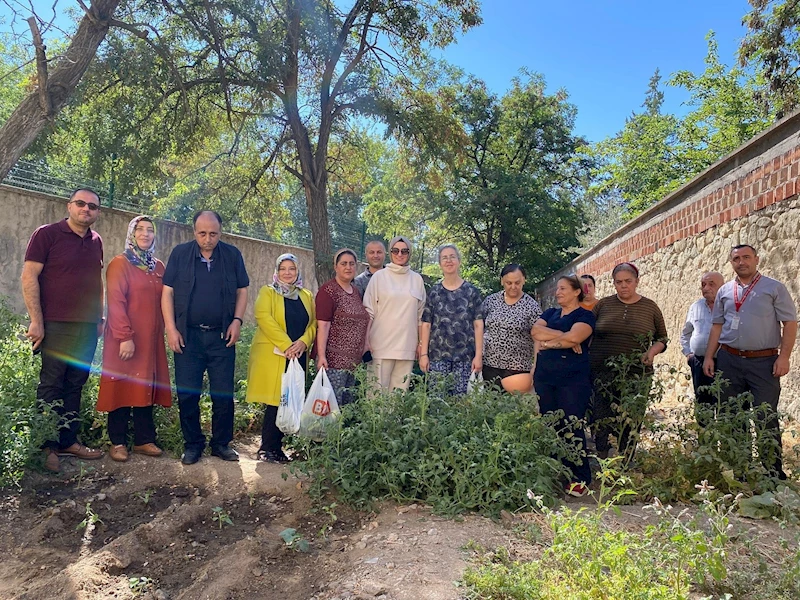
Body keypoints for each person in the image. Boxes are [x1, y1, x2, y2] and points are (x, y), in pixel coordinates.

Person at [21, 188, 105, 473]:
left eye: (92, 206)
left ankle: (69, 440)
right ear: (69, 206)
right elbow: (29, 275)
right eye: (81, 204)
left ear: (97, 212)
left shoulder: (96, 241)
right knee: (51, 385)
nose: (86, 209)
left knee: (75, 384)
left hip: (86, 328)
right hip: (55, 325)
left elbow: (96, 283)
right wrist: (37, 320)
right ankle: (47, 446)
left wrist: (99, 318)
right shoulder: (47, 234)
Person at [161, 210, 249, 465]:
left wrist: (237, 321)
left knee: (223, 394)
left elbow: (242, 290)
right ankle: (193, 444)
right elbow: (167, 292)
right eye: (202, 233)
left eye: (213, 234)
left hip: (221, 337)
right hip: (188, 337)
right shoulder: (180, 254)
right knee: (188, 394)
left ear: (221, 233)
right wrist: (171, 328)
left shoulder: (232, 255)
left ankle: (221, 444)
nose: (208, 239)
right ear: (194, 231)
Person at [703, 245, 797, 479]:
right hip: (729, 359)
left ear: (756, 259)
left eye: (746, 257)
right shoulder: (725, 290)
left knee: (765, 415)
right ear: (731, 262)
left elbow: (790, 323)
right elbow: (717, 325)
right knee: (732, 414)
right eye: (736, 258)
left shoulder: (773, 288)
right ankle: (738, 469)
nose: (741, 262)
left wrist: (784, 357)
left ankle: (772, 473)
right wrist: (709, 356)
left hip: (763, 362)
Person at [97, 216, 172, 462]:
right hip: (125, 338)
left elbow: (167, 300)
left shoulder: (158, 267)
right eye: (140, 229)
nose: (145, 234)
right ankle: (117, 441)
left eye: (150, 230)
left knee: (144, 385)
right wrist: (124, 337)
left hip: (150, 341)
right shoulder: (120, 264)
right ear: (131, 233)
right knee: (121, 385)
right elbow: (115, 303)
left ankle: (143, 440)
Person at [590, 262, 668, 460]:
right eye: (619, 282)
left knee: (631, 417)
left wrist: (651, 352)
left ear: (637, 282)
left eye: (628, 281)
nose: (623, 286)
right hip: (601, 372)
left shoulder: (650, 307)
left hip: (636, 373)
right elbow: (586, 330)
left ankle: (626, 459)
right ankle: (603, 458)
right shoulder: (603, 305)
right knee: (601, 415)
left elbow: (662, 339)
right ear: (614, 283)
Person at [246, 253, 316, 462]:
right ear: (277, 271)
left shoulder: (306, 295)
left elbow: (314, 323)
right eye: (283, 268)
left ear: (297, 271)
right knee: (276, 400)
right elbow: (264, 318)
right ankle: (268, 448)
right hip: (275, 354)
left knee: (290, 399)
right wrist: (287, 345)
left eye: (292, 268)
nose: (287, 273)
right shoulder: (268, 292)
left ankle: (279, 448)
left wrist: (303, 341)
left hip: (297, 355)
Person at [532, 275, 595, 497]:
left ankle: (581, 477)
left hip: (573, 380)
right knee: (551, 424)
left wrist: (550, 343)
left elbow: (577, 336)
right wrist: (564, 338)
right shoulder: (550, 314)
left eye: (563, 288)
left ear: (577, 291)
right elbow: (535, 332)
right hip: (545, 378)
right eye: (557, 289)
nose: (557, 292)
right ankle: (558, 473)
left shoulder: (585, 315)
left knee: (572, 423)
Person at [362, 236, 426, 391]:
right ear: (390, 252)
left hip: (406, 347)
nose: (400, 254)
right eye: (395, 250)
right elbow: (368, 311)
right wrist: (366, 342)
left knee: (398, 398)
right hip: (380, 346)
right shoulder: (379, 277)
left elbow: (421, 317)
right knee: (376, 396)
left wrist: (421, 345)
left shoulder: (417, 279)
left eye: (404, 250)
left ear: (409, 253)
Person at [419, 244, 484, 395]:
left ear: (459, 261)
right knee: (437, 403)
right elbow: (426, 324)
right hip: (437, 356)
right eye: (444, 258)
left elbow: (478, 324)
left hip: (465, 357)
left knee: (461, 406)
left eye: (452, 257)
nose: (449, 261)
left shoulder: (472, 291)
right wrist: (423, 355)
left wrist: (478, 355)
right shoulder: (434, 292)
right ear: (440, 263)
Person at [315, 249, 370, 405]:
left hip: (353, 364)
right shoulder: (328, 291)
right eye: (343, 264)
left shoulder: (356, 292)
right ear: (336, 267)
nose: (348, 267)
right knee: (330, 409)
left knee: (345, 411)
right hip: (334, 363)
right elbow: (323, 325)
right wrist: (322, 356)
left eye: (352, 264)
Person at [481, 264, 542, 393]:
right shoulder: (490, 301)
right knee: (490, 406)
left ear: (524, 280)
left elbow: (538, 337)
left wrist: (536, 365)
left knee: (514, 410)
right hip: (489, 365)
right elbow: (479, 328)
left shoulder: (531, 306)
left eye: (517, 283)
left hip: (517, 369)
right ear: (502, 281)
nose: (513, 287)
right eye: (509, 283)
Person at [680, 271, 724, 427]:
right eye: (703, 284)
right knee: (702, 401)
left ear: (722, 286)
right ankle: (706, 442)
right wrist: (688, 354)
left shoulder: (729, 306)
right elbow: (686, 333)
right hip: (699, 362)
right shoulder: (695, 307)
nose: (706, 288)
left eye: (711, 284)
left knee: (723, 402)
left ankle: (725, 443)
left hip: (724, 363)